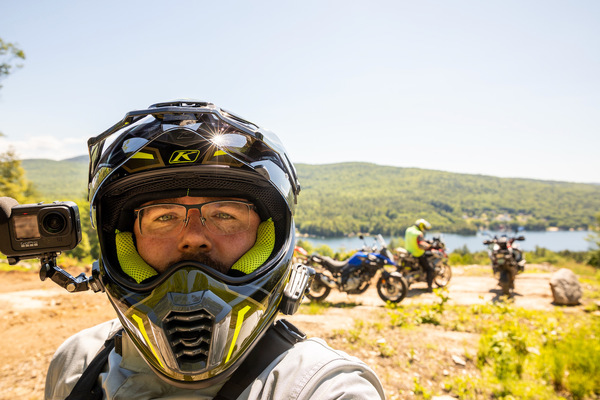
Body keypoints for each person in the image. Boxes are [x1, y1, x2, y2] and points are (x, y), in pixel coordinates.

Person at [44, 100, 385, 399]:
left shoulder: (324, 386)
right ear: (123, 242)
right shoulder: (76, 363)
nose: (193, 238)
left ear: (269, 236)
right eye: (164, 217)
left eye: (225, 215)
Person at [404, 218, 434, 292]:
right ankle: (429, 287)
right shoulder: (418, 233)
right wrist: (429, 246)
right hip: (418, 254)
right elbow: (421, 244)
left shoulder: (408, 230)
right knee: (430, 269)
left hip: (409, 253)